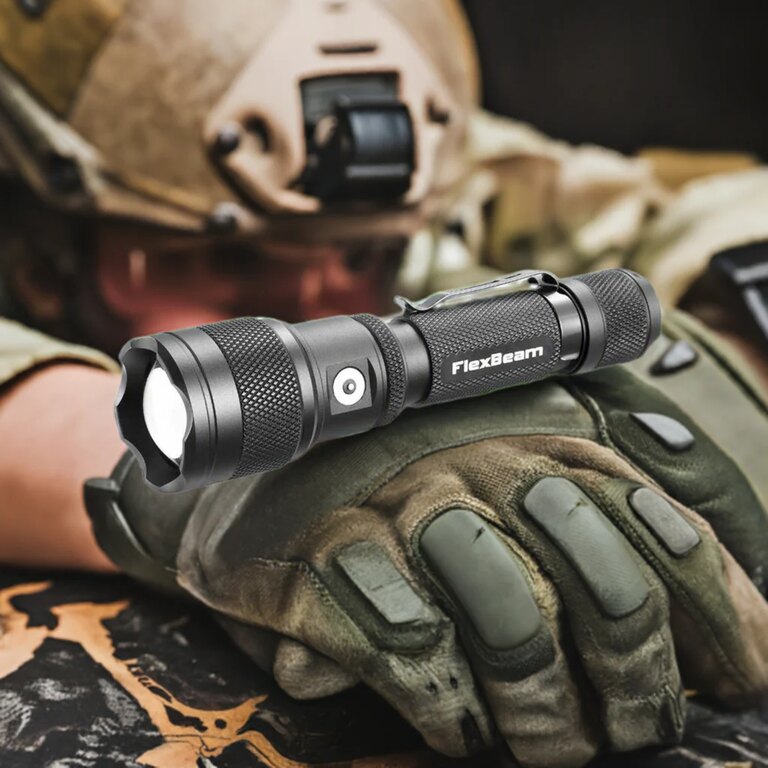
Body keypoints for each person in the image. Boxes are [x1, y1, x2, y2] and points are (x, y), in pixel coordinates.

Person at [0, 1, 766, 766]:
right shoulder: (109, 156)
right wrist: (193, 481)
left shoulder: (449, 164)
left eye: (362, 257)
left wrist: (707, 363)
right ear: (39, 251)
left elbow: (710, 212)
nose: (312, 314)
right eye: (229, 260)